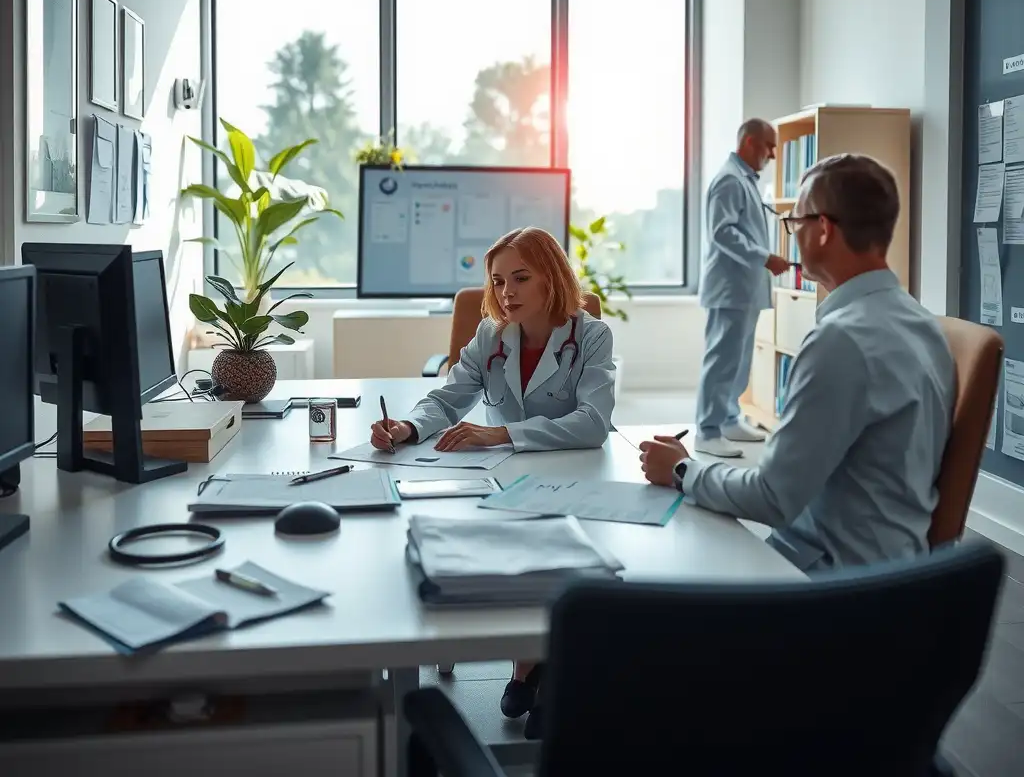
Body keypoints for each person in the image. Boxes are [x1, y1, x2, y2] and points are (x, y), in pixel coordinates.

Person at [641, 154, 956, 573]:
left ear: (823, 230)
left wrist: (682, 469)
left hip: (830, 582)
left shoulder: (841, 341)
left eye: (796, 223)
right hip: (892, 564)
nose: (791, 235)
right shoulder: (923, 324)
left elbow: (772, 496)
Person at [370, 225, 615, 734]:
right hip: (500, 482)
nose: (507, 294)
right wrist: (408, 425)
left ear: (551, 278)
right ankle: (539, 668)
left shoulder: (590, 335)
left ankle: (535, 669)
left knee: (547, 547)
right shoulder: (490, 335)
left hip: (568, 480)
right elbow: (448, 397)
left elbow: (593, 423)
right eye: (499, 281)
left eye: (521, 278)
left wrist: (499, 432)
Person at [697, 119, 790, 458]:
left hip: (743, 289)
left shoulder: (745, 179)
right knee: (722, 359)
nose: (774, 155)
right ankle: (707, 431)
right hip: (729, 288)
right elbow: (722, 233)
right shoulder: (729, 180)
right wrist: (765, 257)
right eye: (769, 146)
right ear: (750, 142)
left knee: (738, 360)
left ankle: (728, 419)